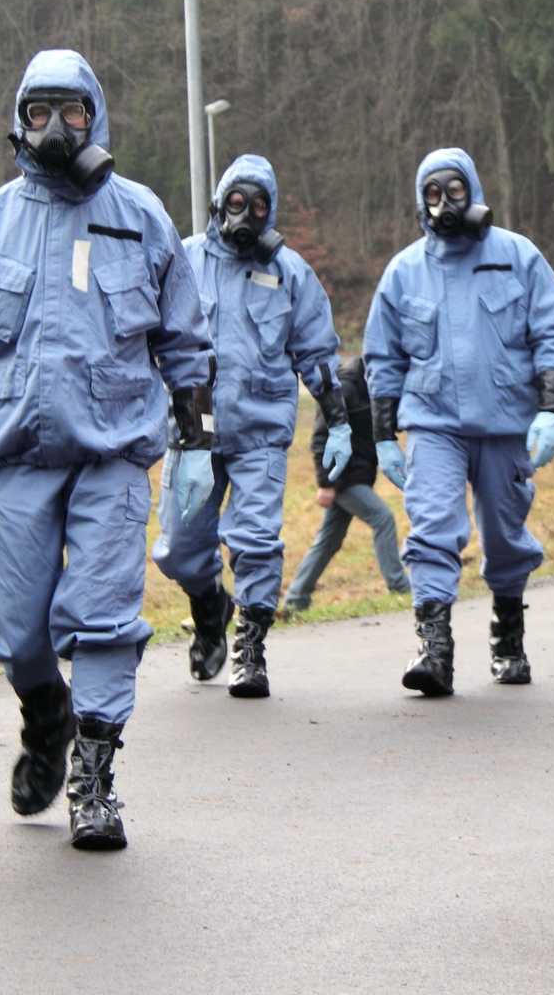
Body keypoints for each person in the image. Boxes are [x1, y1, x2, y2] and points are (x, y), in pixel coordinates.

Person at [0, 48, 216, 853]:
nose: (54, 129)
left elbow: (185, 342)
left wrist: (194, 443)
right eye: (38, 112)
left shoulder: (142, 218)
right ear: (17, 118)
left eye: (71, 113)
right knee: (14, 623)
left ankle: (94, 777)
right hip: (19, 452)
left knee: (106, 617)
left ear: (97, 115)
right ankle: (44, 714)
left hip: (114, 455)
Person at [362, 147, 554, 695]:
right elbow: (382, 357)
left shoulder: (518, 256)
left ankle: (508, 632)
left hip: (507, 423)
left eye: (453, 191)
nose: (443, 203)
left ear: (473, 191)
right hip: (434, 424)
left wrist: (551, 410)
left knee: (505, 537)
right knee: (433, 525)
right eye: (432, 194)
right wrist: (384, 434)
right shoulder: (405, 271)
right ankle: (434, 647)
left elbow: (552, 336)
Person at [152, 153, 350, 699]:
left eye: (258, 205)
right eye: (236, 202)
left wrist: (337, 419)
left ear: (271, 212)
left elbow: (317, 352)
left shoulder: (290, 275)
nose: (245, 214)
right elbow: (151, 340)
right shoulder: (183, 261)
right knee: (177, 550)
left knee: (256, 539)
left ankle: (251, 645)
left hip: (260, 431)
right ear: (219, 203)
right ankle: (211, 606)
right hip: (194, 432)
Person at [282, 354, 409, 614]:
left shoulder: (373, 387)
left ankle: (296, 598)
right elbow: (320, 437)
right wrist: (325, 482)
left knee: (329, 539)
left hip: (358, 474)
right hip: (343, 477)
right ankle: (399, 587)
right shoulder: (345, 386)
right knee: (383, 518)